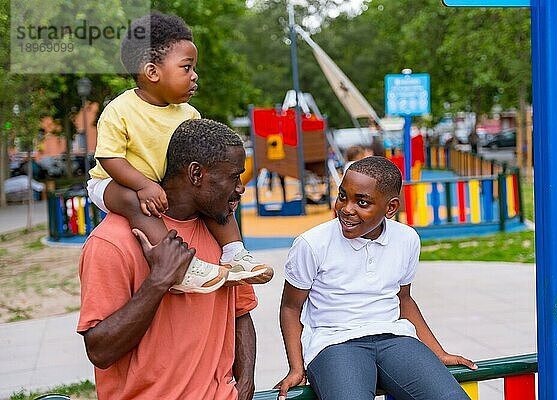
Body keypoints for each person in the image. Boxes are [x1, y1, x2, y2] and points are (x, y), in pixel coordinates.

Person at [78, 118, 265, 400]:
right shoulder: (111, 242)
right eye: (233, 177)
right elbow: (99, 351)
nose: (240, 188)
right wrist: (159, 280)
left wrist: (246, 382)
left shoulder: (223, 237)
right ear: (196, 173)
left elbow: (240, 312)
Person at [87, 12, 272, 294]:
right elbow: (110, 158)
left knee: (213, 196)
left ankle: (235, 254)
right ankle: (178, 265)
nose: (194, 75)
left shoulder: (189, 114)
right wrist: (143, 185)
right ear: (152, 72)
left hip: (159, 184)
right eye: (186, 68)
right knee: (133, 202)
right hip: (114, 183)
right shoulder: (120, 110)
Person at [276, 156, 476, 400]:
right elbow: (290, 307)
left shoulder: (407, 239)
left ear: (390, 208)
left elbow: (404, 300)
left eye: (362, 202)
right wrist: (296, 368)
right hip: (335, 343)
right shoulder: (312, 244)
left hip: (395, 338)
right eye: (342, 196)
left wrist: (438, 352)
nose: (347, 209)